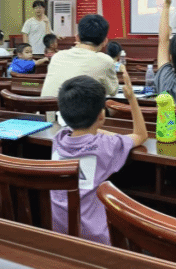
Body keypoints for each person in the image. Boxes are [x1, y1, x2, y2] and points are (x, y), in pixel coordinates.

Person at [51, 72, 147, 245]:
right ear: (102, 115)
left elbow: (83, 133)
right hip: (98, 239)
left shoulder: (58, 139)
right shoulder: (107, 146)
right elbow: (141, 134)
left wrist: (97, 129)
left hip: (60, 233)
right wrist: (131, 98)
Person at [41, 14, 119, 97]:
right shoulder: (105, 61)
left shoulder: (57, 56)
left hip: (46, 105)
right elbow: (113, 91)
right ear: (105, 41)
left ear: (77, 37)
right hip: (75, 105)